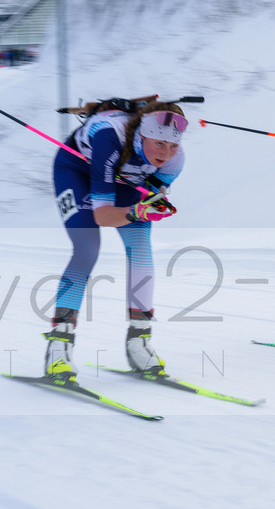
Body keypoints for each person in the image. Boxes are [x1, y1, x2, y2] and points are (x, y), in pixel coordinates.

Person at [43, 102, 187, 381]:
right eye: (159, 143)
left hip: (122, 180)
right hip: (76, 170)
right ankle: (58, 345)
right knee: (87, 248)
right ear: (141, 135)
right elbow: (103, 216)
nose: (165, 153)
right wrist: (136, 211)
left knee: (141, 247)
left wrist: (152, 204)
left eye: (172, 145)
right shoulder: (109, 138)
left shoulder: (176, 160)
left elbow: (148, 194)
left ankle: (139, 341)